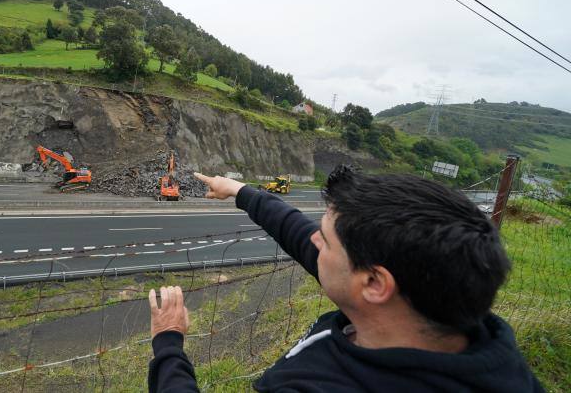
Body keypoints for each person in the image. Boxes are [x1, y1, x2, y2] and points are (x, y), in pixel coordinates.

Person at [147, 165, 544, 392]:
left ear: (374, 284)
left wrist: (168, 344)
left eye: (328, 241)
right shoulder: (477, 342)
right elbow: (300, 235)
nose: (314, 239)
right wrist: (240, 192)